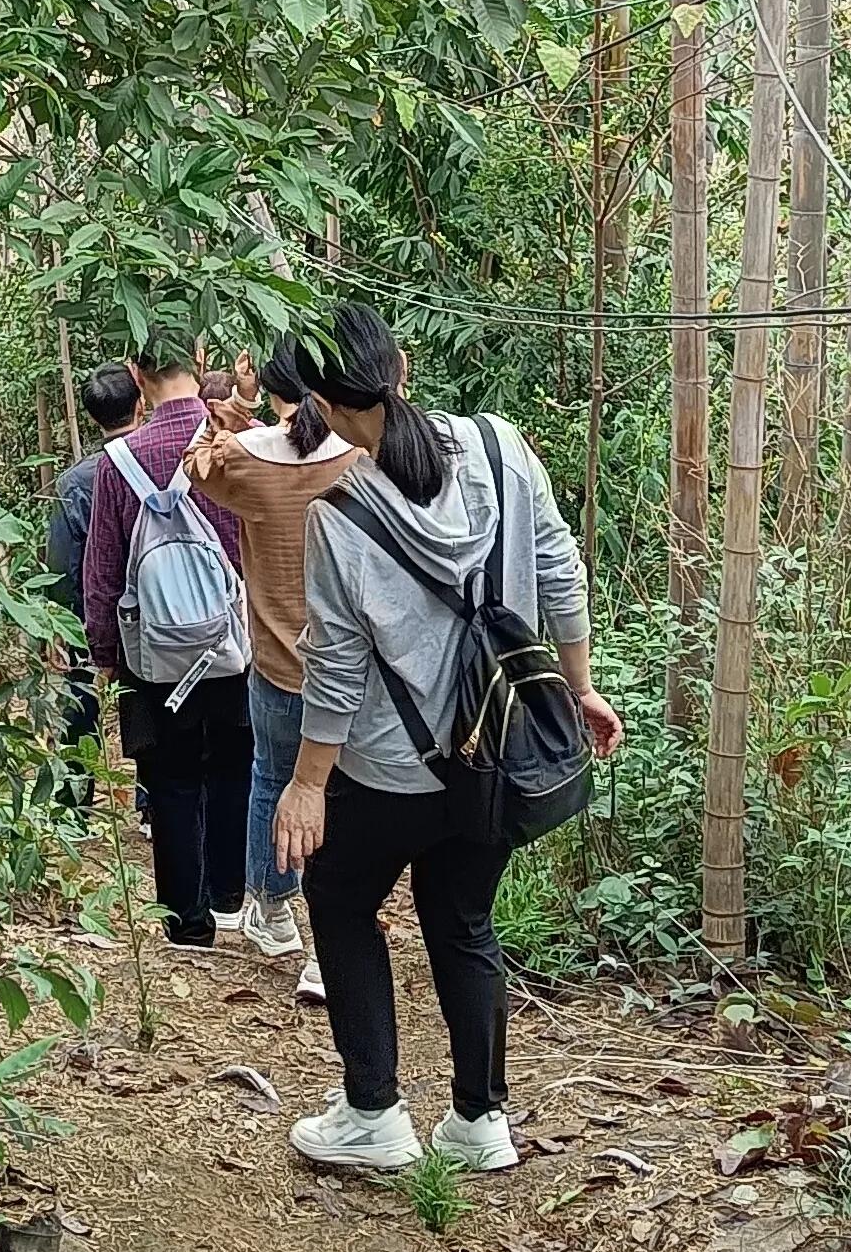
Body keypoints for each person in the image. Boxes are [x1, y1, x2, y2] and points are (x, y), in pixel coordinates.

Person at [272, 302, 621, 1176]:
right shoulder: (503, 449)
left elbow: (338, 669)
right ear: (402, 368)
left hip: (390, 771)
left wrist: (307, 784)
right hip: (497, 754)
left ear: (322, 405)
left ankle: (373, 1113)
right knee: (463, 918)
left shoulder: (339, 515)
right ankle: (480, 1121)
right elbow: (559, 570)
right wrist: (578, 687)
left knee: (341, 901)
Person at [81, 327, 256, 943]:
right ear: (201, 361)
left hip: (152, 651)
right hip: (233, 642)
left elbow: (103, 568)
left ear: (137, 374)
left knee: (172, 778)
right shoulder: (237, 444)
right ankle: (230, 896)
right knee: (234, 765)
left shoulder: (118, 463)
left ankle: (187, 922)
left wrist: (104, 653)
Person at [191, 343, 353, 990]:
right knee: (340, 801)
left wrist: (238, 403)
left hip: (280, 664)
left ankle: (276, 909)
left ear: (274, 386)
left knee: (274, 779)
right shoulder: (355, 453)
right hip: (353, 672)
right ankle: (328, 949)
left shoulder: (249, 458)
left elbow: (196, 466)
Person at [42, 363, 141, 767]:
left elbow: (62, 564)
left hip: (92, 619)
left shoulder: (75, 481)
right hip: (158, 616)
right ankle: (149, 798)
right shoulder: (166, 460)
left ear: (91, 416)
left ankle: (74, 794)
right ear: (140, 403)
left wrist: (57, 627)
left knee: (79, 712)